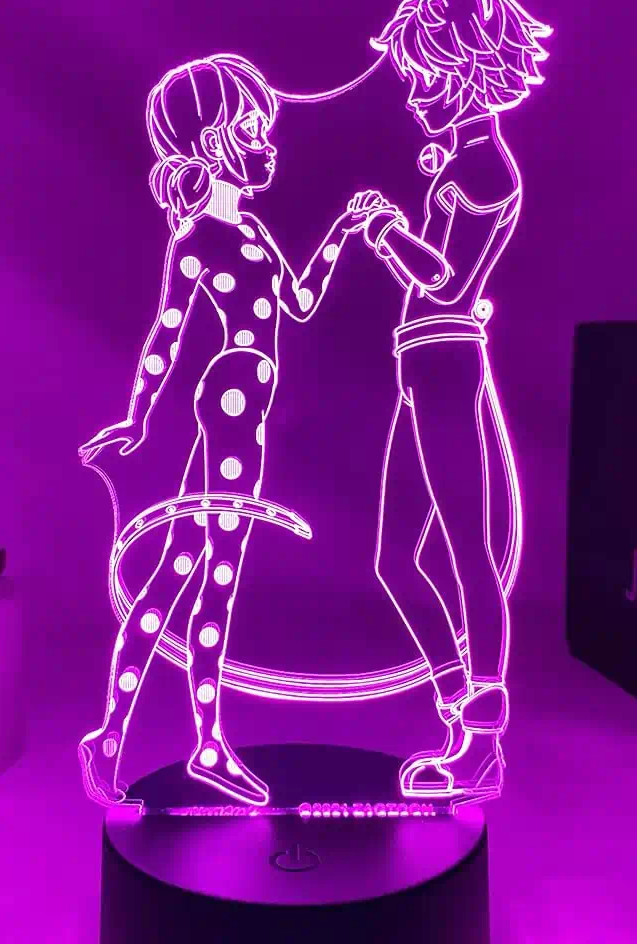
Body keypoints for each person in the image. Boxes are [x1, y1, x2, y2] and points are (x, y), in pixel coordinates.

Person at [76, 53, 386, 807]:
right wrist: (137, 418)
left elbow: (299, 304)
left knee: (184, 572)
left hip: (244, 405)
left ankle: (124, 740)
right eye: (250, 130)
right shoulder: (198, 241)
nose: (266, 146)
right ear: (212, 142)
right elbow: (165, 335)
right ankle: (194, 745)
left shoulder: (250, 231)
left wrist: (342, 232)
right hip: (233, 401)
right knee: (213, 574)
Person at [353, 0, 552, 802]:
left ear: (465, 69)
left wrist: (386, 231)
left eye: (422, 79)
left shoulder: (488, 171)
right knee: (395, 558)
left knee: (468, 550)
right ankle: (457, 709)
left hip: (443, 358)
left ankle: (481, 742)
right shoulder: (466, 161)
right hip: (422, 360)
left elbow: (445, 279)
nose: (411, 98)